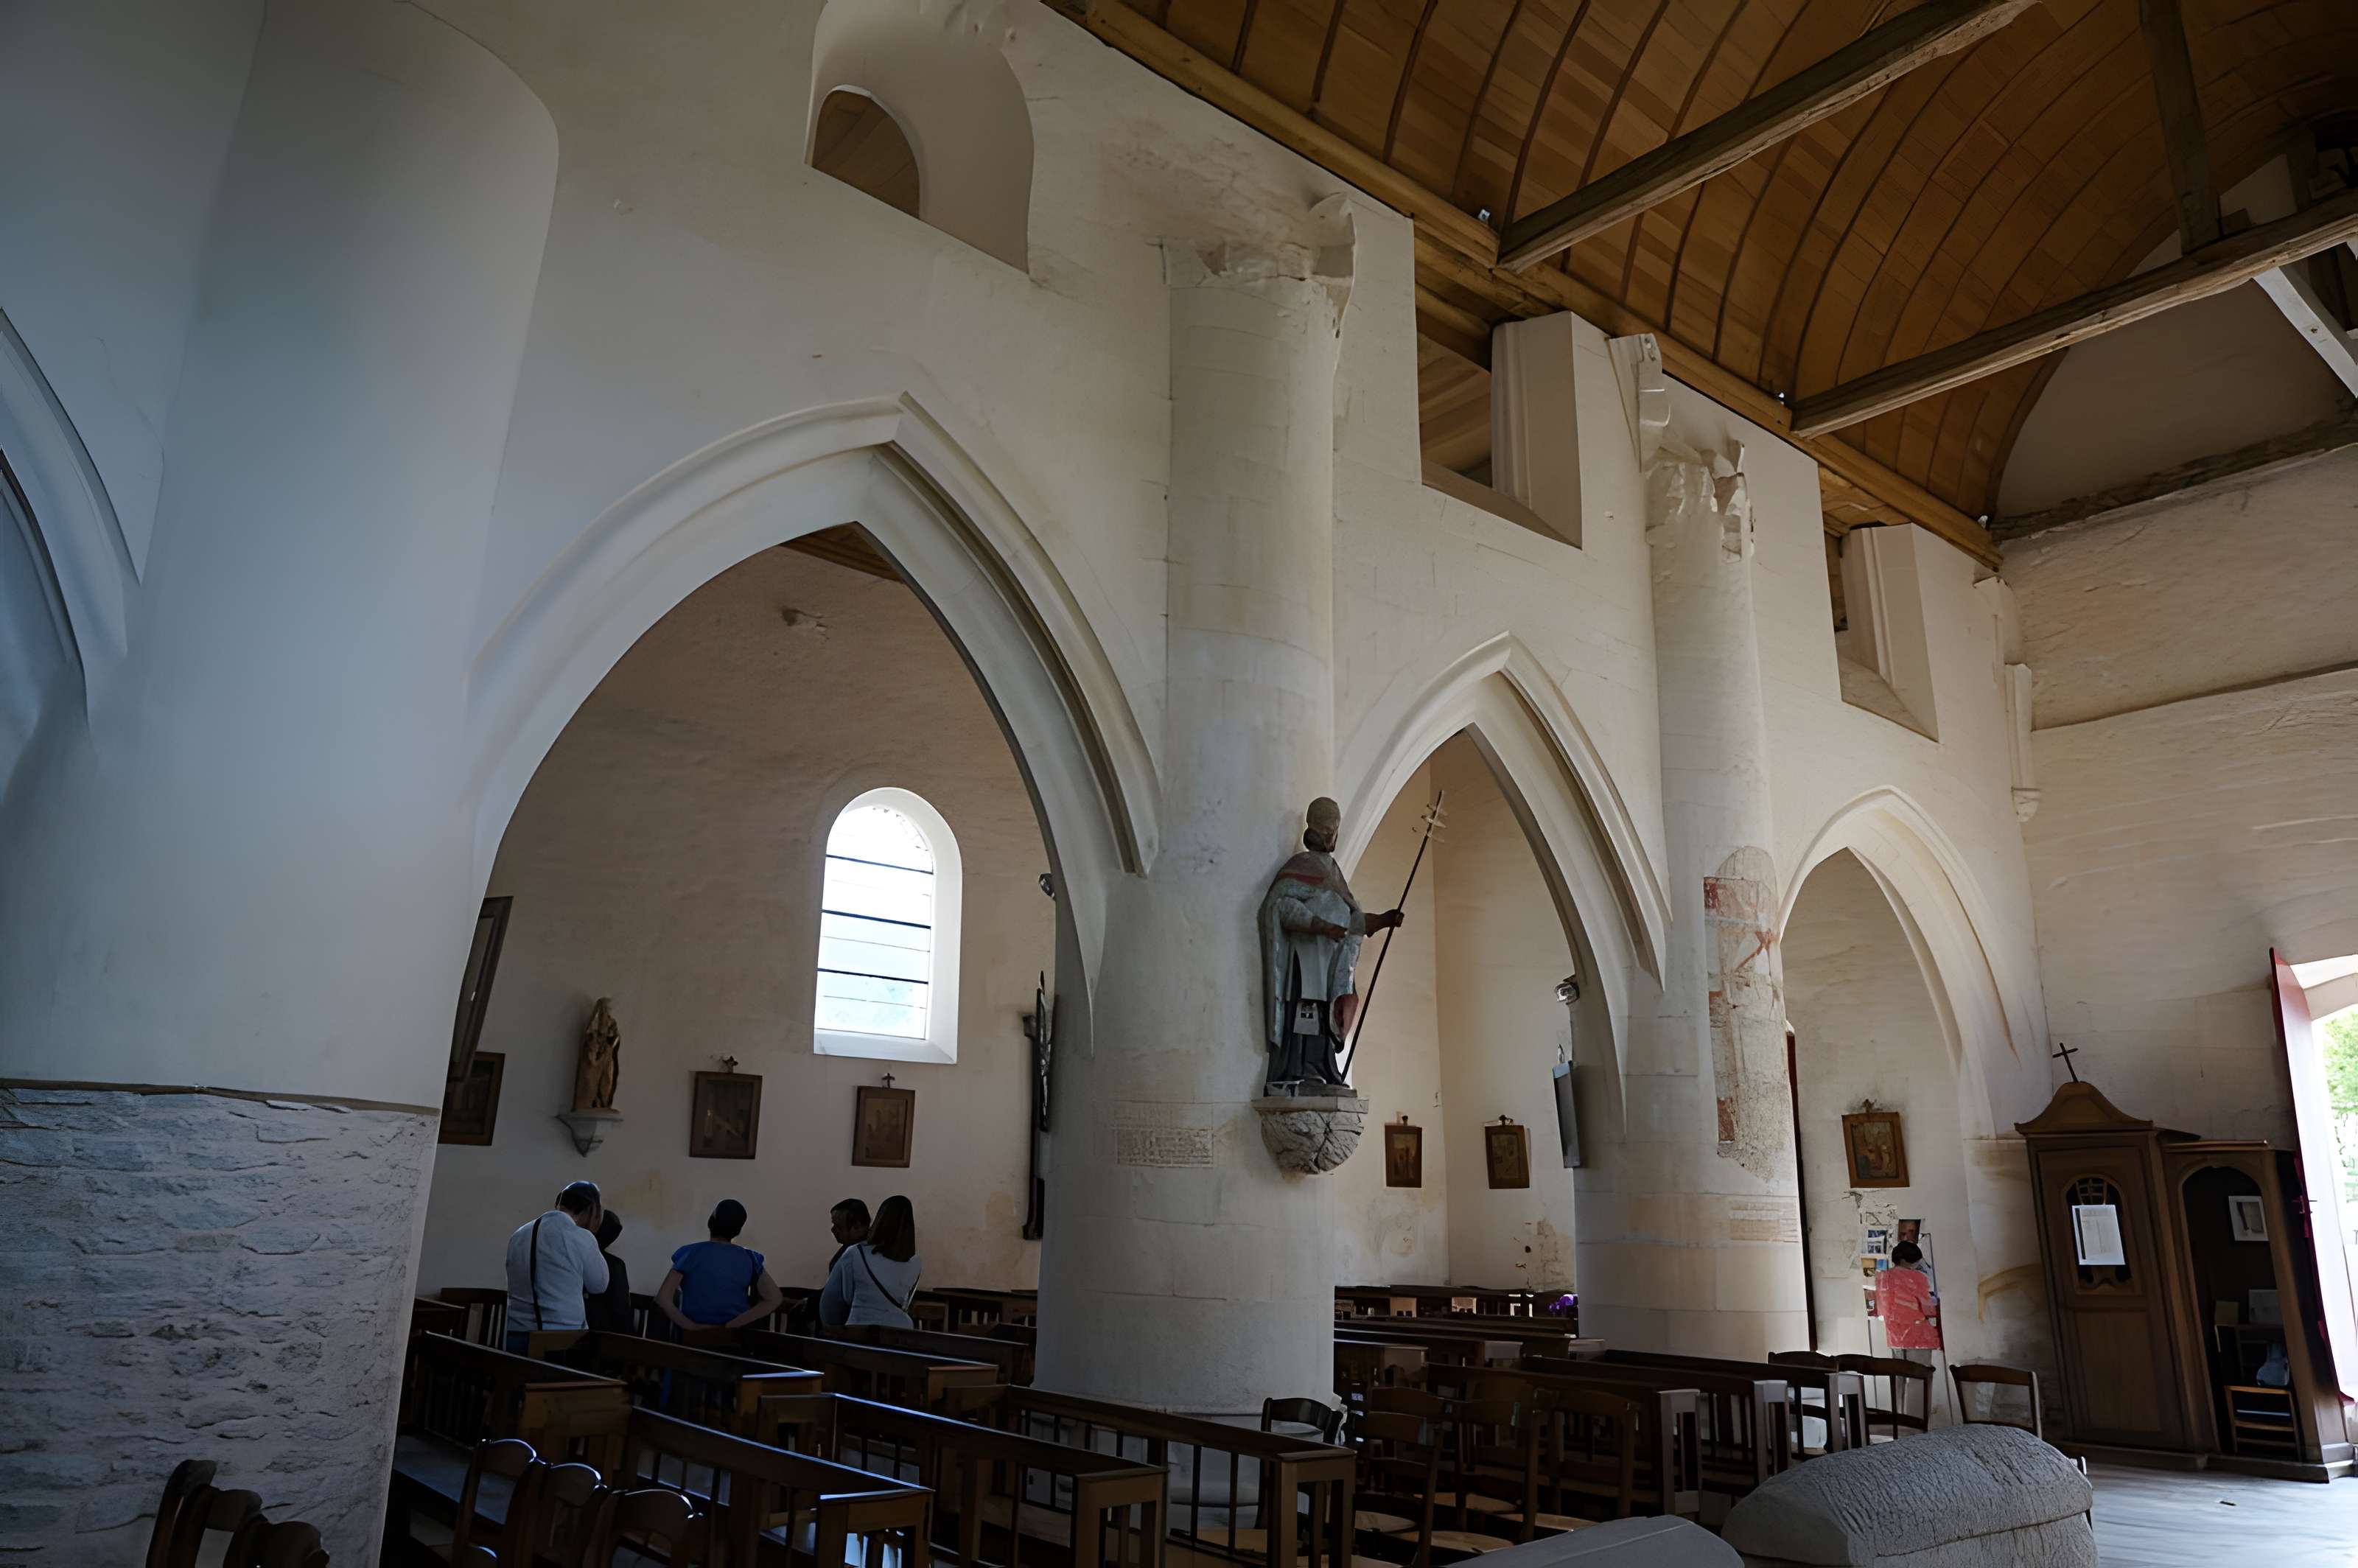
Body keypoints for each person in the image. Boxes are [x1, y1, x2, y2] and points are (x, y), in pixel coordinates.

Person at [503, 1180, 608, 1352]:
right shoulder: (580, 1237)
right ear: (591, 1210)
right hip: (561, 1338)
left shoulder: (520, 1233)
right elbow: (599, 1285)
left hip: (516, 1333)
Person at [656, 1199, 785, 1335]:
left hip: (691, 1339)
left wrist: (690, 1327)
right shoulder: (751, 1258)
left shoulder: (689, 1254)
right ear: (738, 1231)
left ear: (711, 1221)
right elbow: (774, 1299)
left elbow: (663, 1299)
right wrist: (735, 1324)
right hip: (733, 1339)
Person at [819, 1194, 921, 1328]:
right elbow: (906, 1299)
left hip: (860, 1327)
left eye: (838, 1226)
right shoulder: (915, 1262)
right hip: (900, 1328)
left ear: (880, 1220)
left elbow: (847, 1296)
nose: (833, 1230)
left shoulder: (857, 1252)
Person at [788, 1198, 870, 1331]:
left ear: (857, 1226)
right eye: (833, 1225)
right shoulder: (850, 1248)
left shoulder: (863, 1252)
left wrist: (811, 1302)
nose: (833, 1230)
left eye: (839, 1226)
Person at [1875, 1239, 1942, 1365]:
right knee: (1920, 1374)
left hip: (1894, 1336)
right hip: (1918, 1336)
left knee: (1900, 1373)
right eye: (1915, 1262)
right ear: (1905, 1261)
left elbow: (1882, 1309)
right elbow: (1928, 1309)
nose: (1916, 1265)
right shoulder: (1917, 1277)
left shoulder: (1882, 1278)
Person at [583, 1208, 635, 1334]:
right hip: (604, 1335)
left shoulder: (574, 1257)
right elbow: (621, 1310)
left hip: (578, 1331)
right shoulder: (615, 1265)